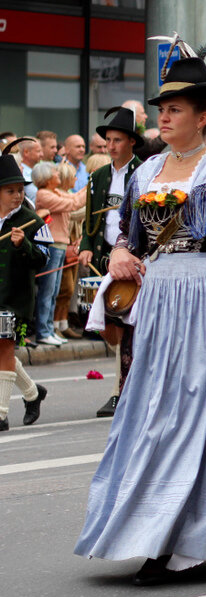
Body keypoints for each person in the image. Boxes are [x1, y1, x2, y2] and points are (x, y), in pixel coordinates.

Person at [75, 43, 206, 585]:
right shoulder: (145, 173)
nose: (163, 117)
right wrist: (121, 251)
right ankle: (152, 530)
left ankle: (189, 537)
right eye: (161, 109)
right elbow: (130, 236)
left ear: (205, 116)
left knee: (201, 418)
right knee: (151, 416)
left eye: (175, 109)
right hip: (159, 305)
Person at [79, 106, 144, 417]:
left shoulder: (144, 173)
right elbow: (91, 220)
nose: (111, 146)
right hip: (105, 255)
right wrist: (86, 246)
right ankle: (127, 383)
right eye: (108, 140)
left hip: (133, 256)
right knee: (107, 321)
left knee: (127, 324)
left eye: (118, 140)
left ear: (132, 141)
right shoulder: (99, 176)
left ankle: (121, 391)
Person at [0, 140, 50, 430]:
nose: (18, 196)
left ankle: (1, 413)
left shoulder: (31, 220)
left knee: (5, 349)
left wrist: (24, 246)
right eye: (10, 191)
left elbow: (42, 259)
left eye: (20, 190)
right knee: (0, 350)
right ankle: (33, 393)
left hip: (16, 298)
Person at [32, 161, 87, 346]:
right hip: (52, 244)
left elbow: (74, 199)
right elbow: (74, 203)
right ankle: (43, 331)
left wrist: (89, 186)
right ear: (46, 178)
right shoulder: (44, 194)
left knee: (54, 290)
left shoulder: (54, 192)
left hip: (60, 245)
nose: (58, 175)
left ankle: (49, 328)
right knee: (47, 290)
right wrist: (92, 186)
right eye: (55, 173)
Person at [17, 138, 41, 204]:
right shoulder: (21, 173)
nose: (42, 154)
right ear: (26, 152)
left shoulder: (35, 172)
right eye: (38, 151)